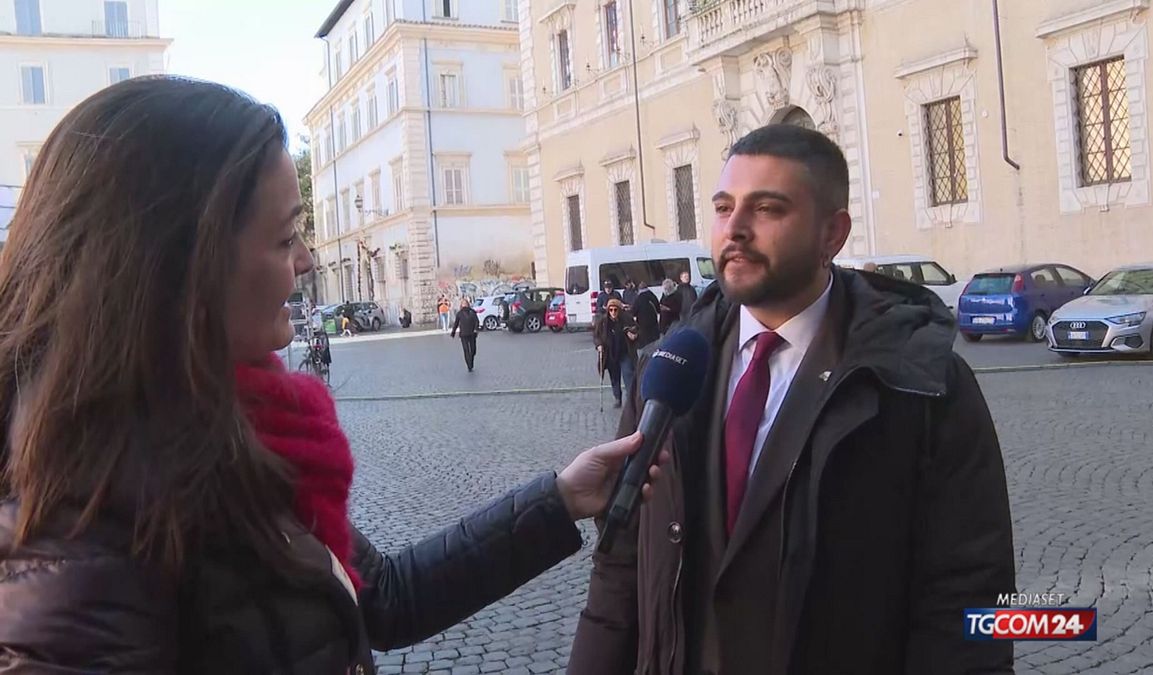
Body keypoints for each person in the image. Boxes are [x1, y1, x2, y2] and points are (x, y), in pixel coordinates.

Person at [0, 77, 667, 673]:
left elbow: (382, 597)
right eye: (286, 235)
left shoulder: (241, 433)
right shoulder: (79, 529)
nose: (309, 259)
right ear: (182, 265)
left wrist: (558, 497)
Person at [569, 125, 1015, 674]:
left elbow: (969, 600)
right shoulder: (669, 370)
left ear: (833, 233)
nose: (735, 229)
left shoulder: (921, 386)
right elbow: (620, 568)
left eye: (768, 209)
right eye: (723, 207)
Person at [593, 298, 638, 408]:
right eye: (611, 310)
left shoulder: (626, 319)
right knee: (614, 377)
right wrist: (599, 345)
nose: (613, 312)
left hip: (625, 352)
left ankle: (630, 399)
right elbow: (596, 335)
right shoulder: (603, 322)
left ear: (619, 310)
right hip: (610, 353)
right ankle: (618, 398)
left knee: (628, 375)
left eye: (615, 310)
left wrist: (634, 335)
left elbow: (636, 329)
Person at [450, 297, 480, 372]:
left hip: (472, 333)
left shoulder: (472, 312)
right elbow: (456, 323)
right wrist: (453, 332)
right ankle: (469, 365)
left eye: (465, 303)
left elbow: (476, 321)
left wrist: (476, 329)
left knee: (473, 350)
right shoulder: (459, 314)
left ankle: (471, 360)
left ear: (467, 304)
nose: (464, 305)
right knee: (466, 350)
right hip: (464, 334)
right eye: (463, 304)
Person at [631, 281, 661, 350]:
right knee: (654, 342)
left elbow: (634, 312)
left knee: (645, 344)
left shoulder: (639, 298)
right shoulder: (652, 295)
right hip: (653, 323)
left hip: (643, 324)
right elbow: (658, 308)